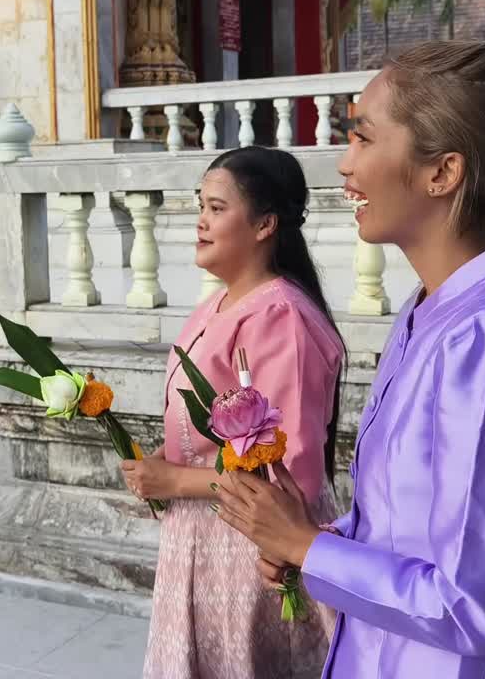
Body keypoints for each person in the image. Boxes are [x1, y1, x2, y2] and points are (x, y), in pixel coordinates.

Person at [213, 40, 485, 678]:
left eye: (361, 139)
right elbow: (403, 530)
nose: (343, 164)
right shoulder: (428, 312)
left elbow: (474, 606)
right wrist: (317, 546)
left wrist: (305, 545)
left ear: (441, 172)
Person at [119, 146, 346, 679]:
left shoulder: (280, 316)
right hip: (202, 537)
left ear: (265, 224)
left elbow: (291, 470)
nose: (201, 220)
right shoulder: (217, 305)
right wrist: (168, 459)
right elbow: (216, 432)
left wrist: (176, 480)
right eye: (202, 205)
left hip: (252, 550)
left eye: (217, 208)